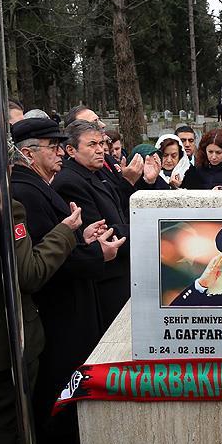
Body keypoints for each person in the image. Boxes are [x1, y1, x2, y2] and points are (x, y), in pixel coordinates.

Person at [0, 118, 105, 444]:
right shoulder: (5, 202)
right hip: (1, 341)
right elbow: (28, 272)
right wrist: (65, 232)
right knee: (7, 424)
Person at [9, 118, 124, 444]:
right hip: (59, 309)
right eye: (53, 147)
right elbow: (42, 259)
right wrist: (95, 254)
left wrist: (83, 238)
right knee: (59, 392)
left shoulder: (39, 184)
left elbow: (58, 242)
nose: (60, 153)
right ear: (28, 152)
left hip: (72, 303)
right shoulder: (25, 190)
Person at [52, 120, 143, 331]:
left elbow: (119, 212)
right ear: (71, 150)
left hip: (119, 273)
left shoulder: (97, 174)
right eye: (92, 144)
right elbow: (104, 232)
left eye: (102, 143)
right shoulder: (70, 182)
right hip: (105, 279)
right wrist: (142, 230)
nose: (101, 149)